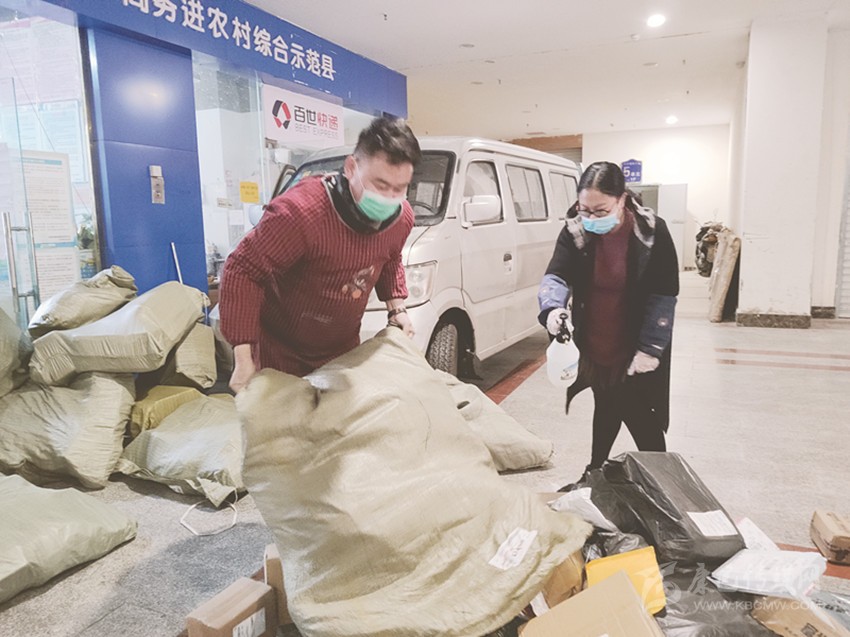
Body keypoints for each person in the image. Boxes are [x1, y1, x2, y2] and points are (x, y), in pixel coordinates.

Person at [219, 115, 421, 392]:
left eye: (399, 189)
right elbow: (243, 269)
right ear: (351, 168)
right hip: (280, 350)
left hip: (341, 349)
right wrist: (243, 359)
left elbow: (390, 257)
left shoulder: (401, 218)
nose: (388, 198)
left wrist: (397, 309)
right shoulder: (300, 213)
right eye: (380, 185)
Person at [537, 161, 679, 476]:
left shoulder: (652, 232)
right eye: (584, 209)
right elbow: (557, 275)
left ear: (622, 200)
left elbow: (664, 294)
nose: (590, 219)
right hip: (596, 340)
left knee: (640, 414)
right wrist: (552, 308)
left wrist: (650, 349)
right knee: (606, 402)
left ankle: (663, 480)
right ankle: (595, 471)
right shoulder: (575, 230)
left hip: (636, 343)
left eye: (600, 211)